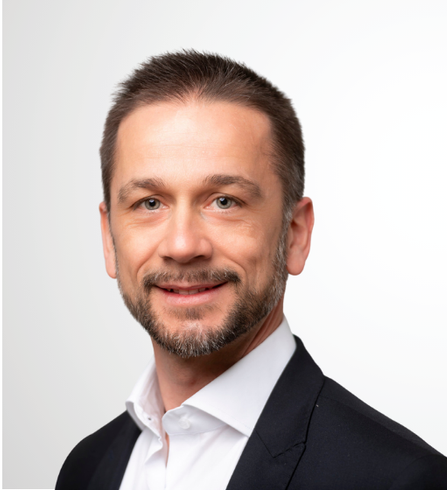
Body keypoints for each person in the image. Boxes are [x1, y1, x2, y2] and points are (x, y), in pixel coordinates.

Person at [56, 51, 447, 490]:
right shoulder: (85, 470)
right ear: (109, 238)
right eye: (149, 203)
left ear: (295, 235)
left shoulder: (401, 479)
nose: (182, 246)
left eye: (224, 201)